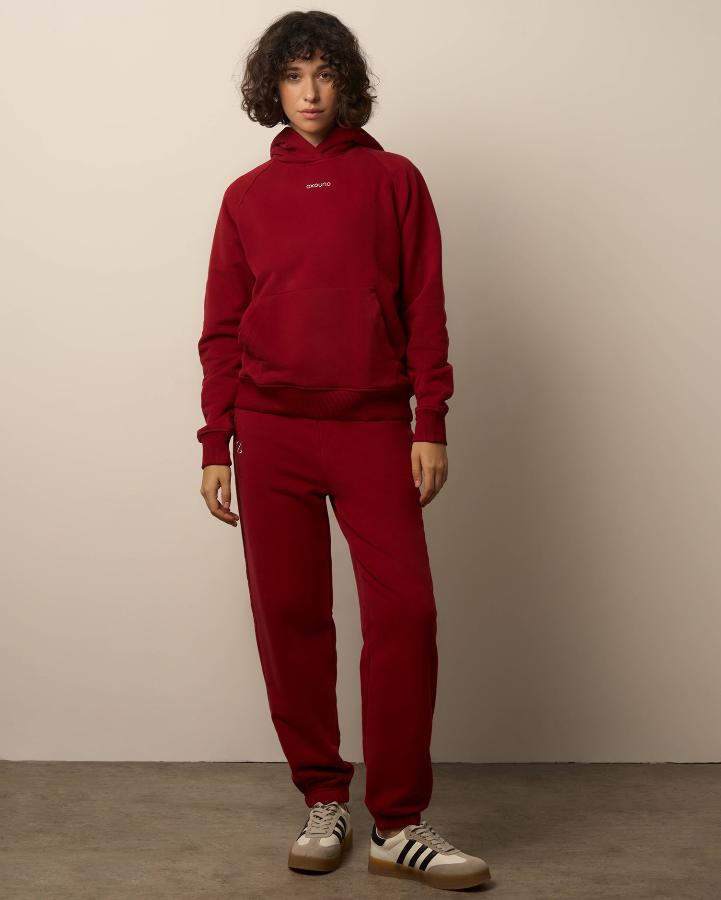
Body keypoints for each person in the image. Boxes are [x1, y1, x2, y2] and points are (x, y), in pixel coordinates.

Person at [196, 10, 491, 891]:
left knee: (406, 616)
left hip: (371, 427)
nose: (310, 92)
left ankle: (397, 822)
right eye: (293, 76)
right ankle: (322, 799)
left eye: (324, 73)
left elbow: (424, 304)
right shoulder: (245, 197)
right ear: (272, 88)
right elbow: (220, 329)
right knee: (291, 622)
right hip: (269, 431)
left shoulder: (395, 180)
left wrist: (429, 420)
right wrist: (216, 441)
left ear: (347, 83)